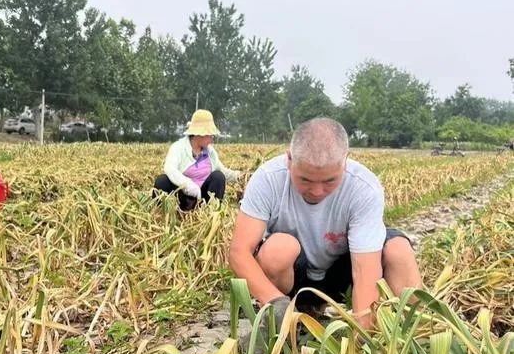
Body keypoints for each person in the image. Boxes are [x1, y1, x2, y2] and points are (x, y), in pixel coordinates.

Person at [229, 118, 421, 329]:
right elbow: (239, 252)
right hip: (295, 282)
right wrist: (275, 302)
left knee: (398, 250)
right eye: (305, 180)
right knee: (278, 250)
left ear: (345, 161)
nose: (317, 191)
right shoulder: (268, 179)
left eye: (329, 181)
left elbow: (365, 270)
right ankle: (285, 319)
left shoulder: (363, 187)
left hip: (340, 275)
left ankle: (413, 327)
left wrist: (363, 335)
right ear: (290, 159)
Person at [153, 109, 241, 211]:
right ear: (199, 134)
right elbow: (170, 168)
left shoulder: (210, 152)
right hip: (182, 197)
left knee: (218, 176)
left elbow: (222, 171)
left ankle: (210, 212)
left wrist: (240, 176)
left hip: (202, 198)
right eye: (209, 135)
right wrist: (188, 185)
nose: (211, 139)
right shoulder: (178, 148)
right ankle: (164, 213)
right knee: (162, 181)